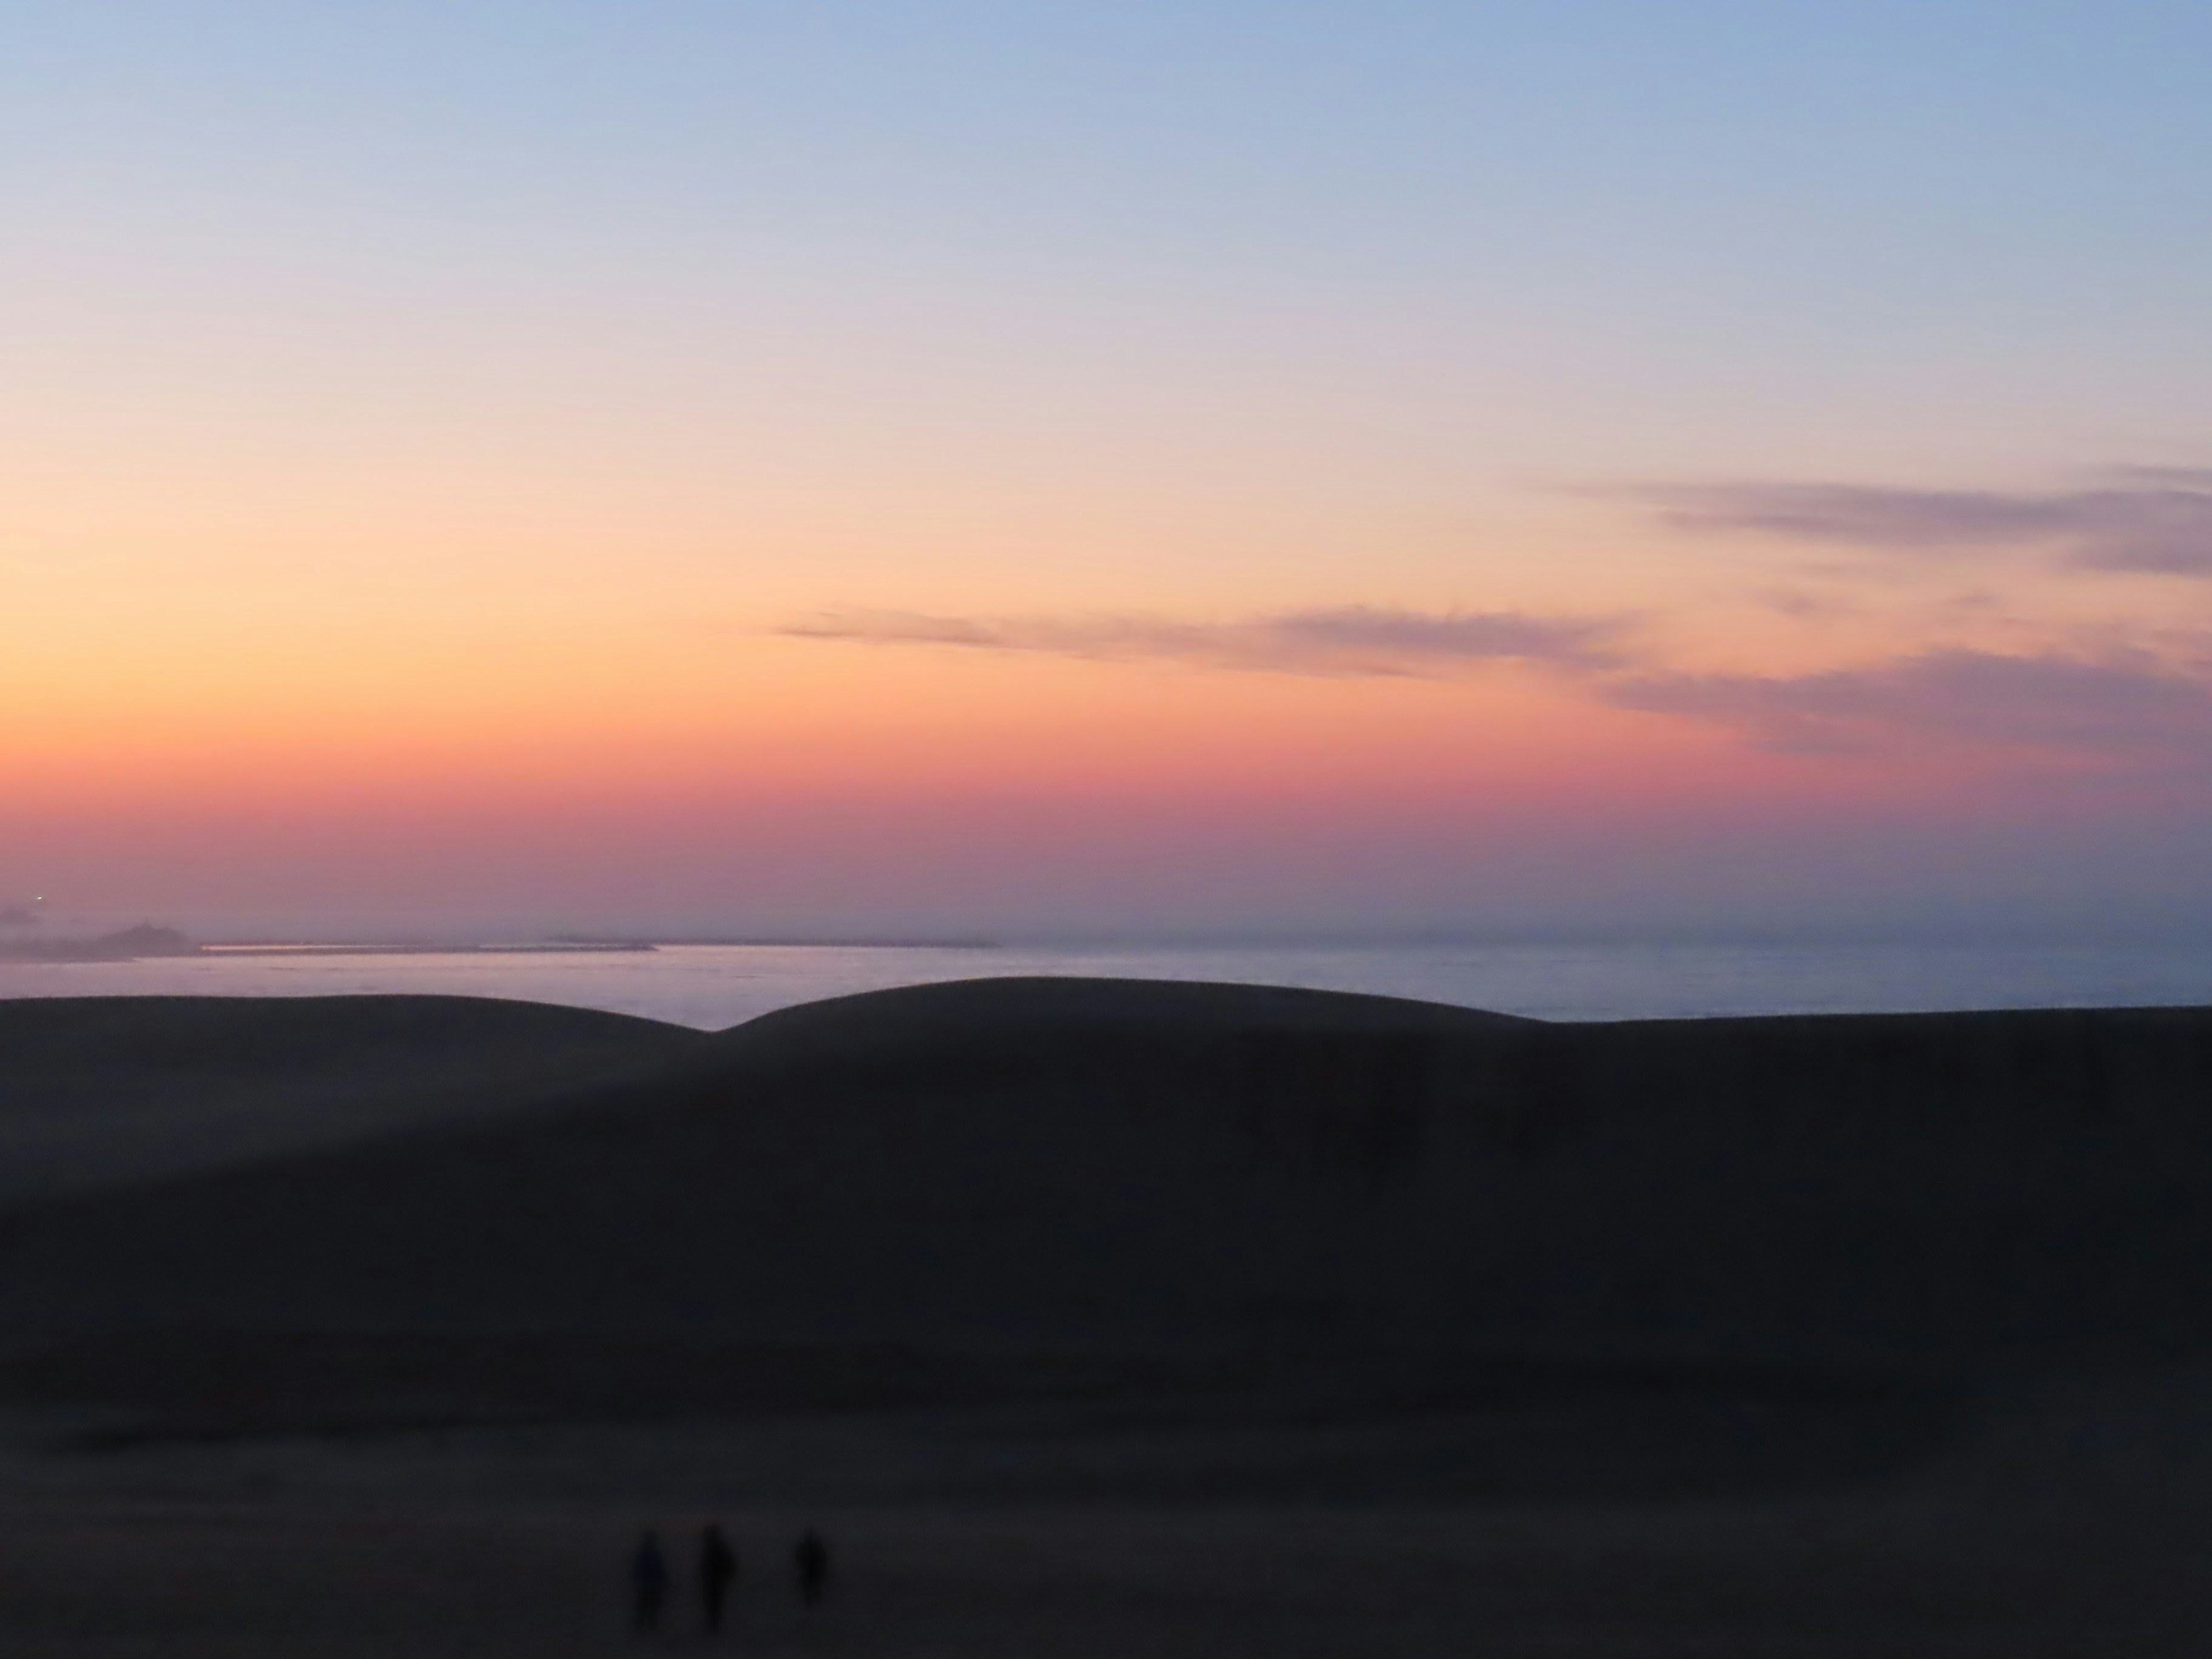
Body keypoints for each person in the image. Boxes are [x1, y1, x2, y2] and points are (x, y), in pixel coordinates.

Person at [699, 1524, 738, 1635]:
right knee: (715, 1604)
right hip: (717, 1580)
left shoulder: (712, 1548)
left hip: (714, 1580)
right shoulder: (719, 1547)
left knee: (712, 1604)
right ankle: (714, 1625)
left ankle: (713, 1625)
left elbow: (706, 1564)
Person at [631, 1529, 669, 1637]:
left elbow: (637, 1569)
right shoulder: (654, 1554)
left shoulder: (644, 1553)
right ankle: (647, 1626)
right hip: (651, 1585)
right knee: (649, 1607)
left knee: (646, 1606)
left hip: (647, 1585)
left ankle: (643, 1626)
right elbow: (660, 1569)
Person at [794, 1527, 831, 1609]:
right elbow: (822, 1556)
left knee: (810, 1584)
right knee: (812, 1584)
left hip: (810, 1567)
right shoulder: (814, 1546)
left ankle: (811, 1599)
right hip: (811, 1567)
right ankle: (814, 1598)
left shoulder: (806, 1546)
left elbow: (799, 1556)